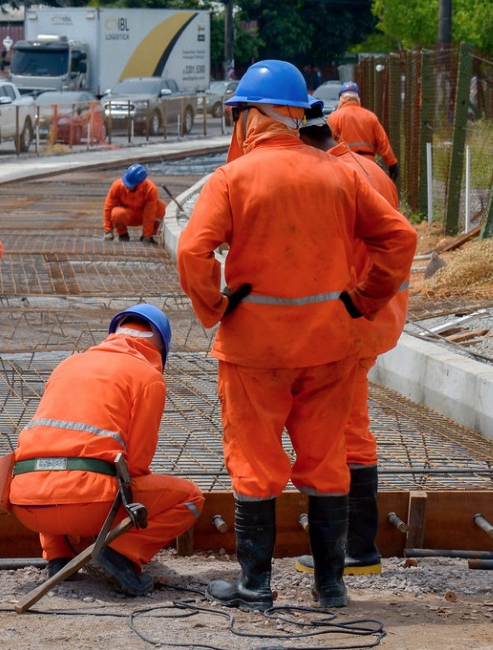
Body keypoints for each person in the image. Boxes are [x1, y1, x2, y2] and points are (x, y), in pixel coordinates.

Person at [176, 60, 416, 610]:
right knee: (328, 461)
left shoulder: (232, 179)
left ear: (251, 117)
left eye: (236, 115)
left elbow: (193, 250)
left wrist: (213, 308)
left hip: (254, 350)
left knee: (255, 463)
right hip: (330, 346)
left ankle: (255, 586)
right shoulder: (340, 172)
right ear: (296, 113)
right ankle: (330, 586)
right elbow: (400, 239)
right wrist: (365, 300)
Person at [8, 304, 204, 596]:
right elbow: (136, 463)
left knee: (53, 454)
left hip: (25, 502)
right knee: (190, 497)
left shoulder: (68, 364)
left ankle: (58, 558)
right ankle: (120, 556)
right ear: (160, 348)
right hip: (85, 503)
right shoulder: (147, 377)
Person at [294, 96, 409, 577]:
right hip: (376, 317)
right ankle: (358, 545)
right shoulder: (370, 171)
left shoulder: (332, 180)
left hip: (353, 322)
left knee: (347, 429)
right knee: (350, 424)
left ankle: (358, 548)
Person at [327, 81, 399, 182]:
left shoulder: (334, 117)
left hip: (344, 165)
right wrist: (392, 163)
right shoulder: (371, 117)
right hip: (369, 167)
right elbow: (383, 142)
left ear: (341, 99)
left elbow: (326, 143)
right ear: (358, 99)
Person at [102, 164, 166, 244]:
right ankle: (123, 234)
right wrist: (108, 230)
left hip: (142, 215)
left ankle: (149, 236)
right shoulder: (117, 186)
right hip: (126, 215)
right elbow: (108, 207)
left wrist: (147, 235)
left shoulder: (151, 189)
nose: (125, 185)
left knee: (160, 206)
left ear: (139, 183)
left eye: (129, 185)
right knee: (117, 213)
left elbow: (150, 213)